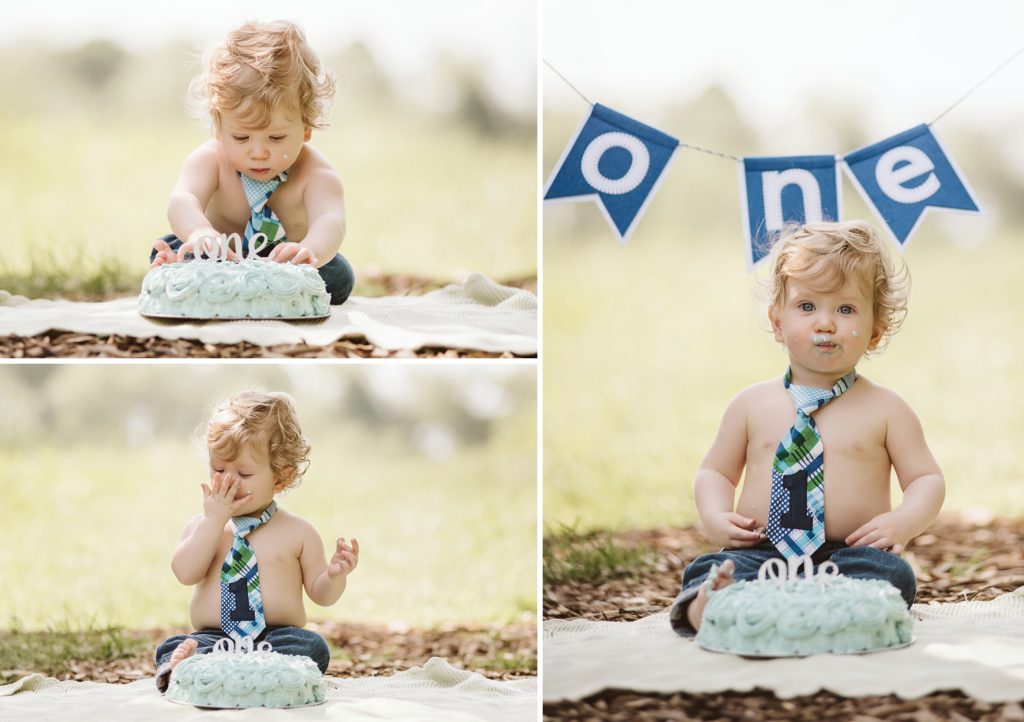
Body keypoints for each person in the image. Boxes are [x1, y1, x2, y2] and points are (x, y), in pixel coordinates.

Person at [669, 221, 945, 636]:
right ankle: (712, 605)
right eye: (807, 306)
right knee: (708, 569)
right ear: (777, 322)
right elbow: (715, 472)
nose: (825, 323)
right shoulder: (750, 405)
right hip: (761, 551)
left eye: (846, 309)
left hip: (851, 556)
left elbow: (926, 478)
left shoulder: (887, 409)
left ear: (874, 331)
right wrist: (714, 514)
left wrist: (902, 522)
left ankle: (833, 614)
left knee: (892, 575)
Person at [154, 391, 359, 692]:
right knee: (172, 645)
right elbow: (185, 573)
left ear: (281, 478)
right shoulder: (204, 526)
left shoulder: (298, 532)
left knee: (313, 646)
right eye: (219, 469)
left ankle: (222, 674)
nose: (229, 481)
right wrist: (213, 522)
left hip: (276, 639)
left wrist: (335, 575)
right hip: (216, 637)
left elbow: (322, 593)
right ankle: (194, 666)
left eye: (245, 473)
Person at [149, 20, 355, 305]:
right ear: (218, 128)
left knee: (339, 276)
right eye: (242, 137)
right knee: (174, 245)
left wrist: (309, 250)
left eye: (276, 137)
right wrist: (200, 232)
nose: (258, 152)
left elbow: (330, 220)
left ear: (306, 128)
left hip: (285, 265)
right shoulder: (210, 160)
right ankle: (183, 269)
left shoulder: (317, 174)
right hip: (220, 256)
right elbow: (183, 199)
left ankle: (210, 287)